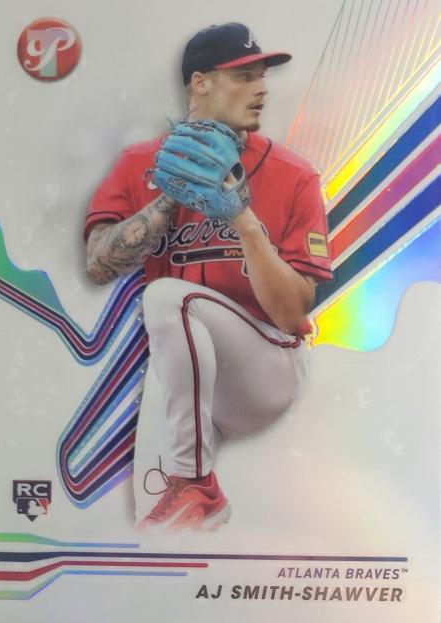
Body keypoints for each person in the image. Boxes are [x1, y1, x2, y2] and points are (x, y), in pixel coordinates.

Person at [84, 22, 332, 531]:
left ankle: (196, 484)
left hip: (266, 370)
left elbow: (292, 314)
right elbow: (99, 264)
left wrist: (242, 218)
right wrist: (168, 199)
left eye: (262, 76)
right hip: (186, 385)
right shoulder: (139, 164)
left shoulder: (295, 175)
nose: (261, 88)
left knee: (166, 296)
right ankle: (191, 499)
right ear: (200, 82)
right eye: (244, 76)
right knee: (155, 528)